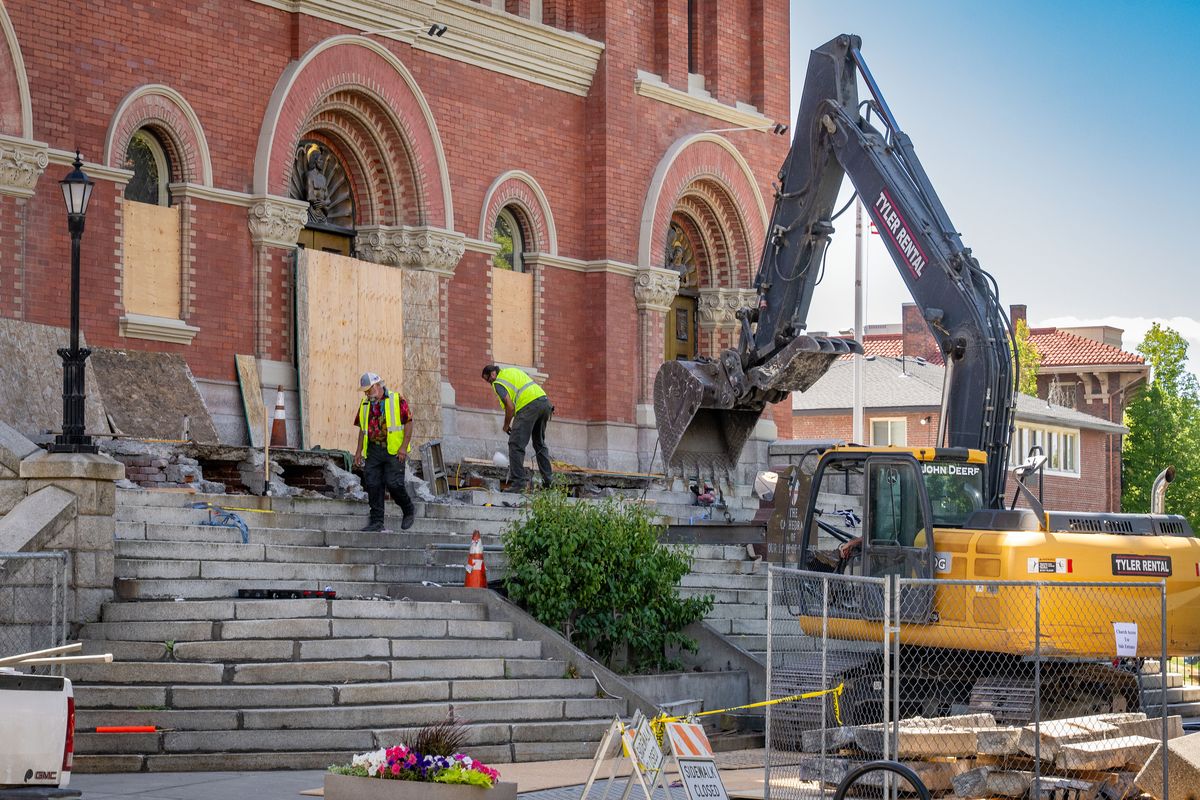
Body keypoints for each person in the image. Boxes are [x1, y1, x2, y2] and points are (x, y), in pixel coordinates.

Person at [353, 372, 415, 532]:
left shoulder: (396, 399)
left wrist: (403, 447)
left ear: (377, 386)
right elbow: (362, 428)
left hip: (393, 450)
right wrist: (358, 450)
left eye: (368, 390)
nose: (367, 394)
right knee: (373, 485)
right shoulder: (365, 404)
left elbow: (408, 422)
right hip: (373, 450)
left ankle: (408, 508)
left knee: (394, 484)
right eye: (365, 391)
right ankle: (376, 522)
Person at [481, 364, 553, 492]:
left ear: (493, 374)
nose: (489, 383)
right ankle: (549, 483)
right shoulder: (511, 371)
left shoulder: (498, 383)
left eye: (488, 380)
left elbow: (510, 407)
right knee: (539, 444)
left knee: (515, 444)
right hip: (544, 403)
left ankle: (518, 484)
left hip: (528, 406)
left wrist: (506, 425)